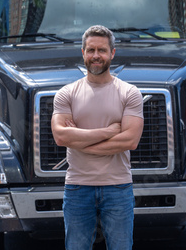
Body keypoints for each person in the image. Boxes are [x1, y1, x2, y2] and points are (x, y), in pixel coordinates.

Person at [51, 25, 144, 250]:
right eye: (90, 50)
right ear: (82, 52)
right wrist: (109, 132)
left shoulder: (129, 93)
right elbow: (61, 137)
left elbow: (130, 141)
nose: (96, 56)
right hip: (77, 187)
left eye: (101, 50)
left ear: (112, 53)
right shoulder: (66, 94)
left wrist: (81, 141)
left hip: (118, 186)